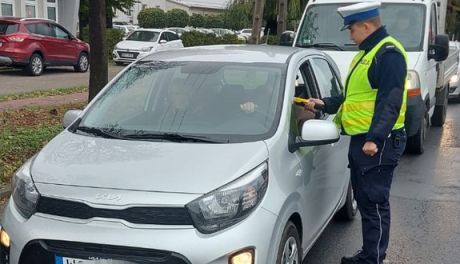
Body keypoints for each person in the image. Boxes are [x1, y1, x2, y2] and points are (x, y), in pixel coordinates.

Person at [305, 2, 408, 264]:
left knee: (374, 202)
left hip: (379, 142)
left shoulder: (388, 54)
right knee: (366, 201)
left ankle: (374, 259)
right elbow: (353, 96)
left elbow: (390, 100)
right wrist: (325, 103)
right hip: (364, 140)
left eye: (352, 29)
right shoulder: (367, 53)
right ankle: (369, 253)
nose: (350, 35)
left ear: (365, 26)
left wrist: (375, 137)